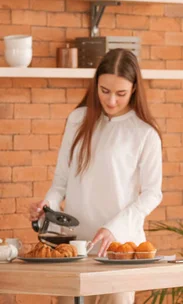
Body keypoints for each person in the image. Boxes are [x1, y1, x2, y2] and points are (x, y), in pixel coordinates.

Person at [29, 49, 163, 304]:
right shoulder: (77, 120)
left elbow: (152, 194)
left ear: (134, 89)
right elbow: (61, 182)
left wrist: (114, 228)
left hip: (120, 251)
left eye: (120, 93)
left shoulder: (145, 134)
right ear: (96, 84)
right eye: (105, 91)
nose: (111, 100)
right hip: (74, 250)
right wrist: (48, 207)